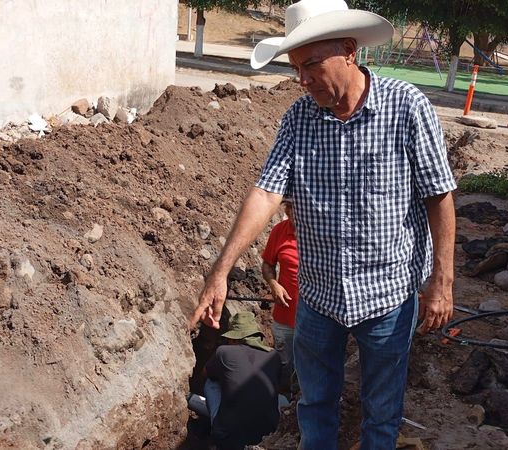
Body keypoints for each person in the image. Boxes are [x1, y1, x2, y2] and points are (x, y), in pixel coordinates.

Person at [189, 0, 457, 448]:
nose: (303, 79)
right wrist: (220, 271)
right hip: (317, 297)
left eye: (311, 63)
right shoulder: (298, 119)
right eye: (296, 67)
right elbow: (266, 192)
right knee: (314, 405)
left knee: (382, 410)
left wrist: (441, 281)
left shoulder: (407, 107)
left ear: (349, 50)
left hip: (388, 296)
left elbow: (438, 195)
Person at [202, 312, 282, 449]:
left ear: (234, 338)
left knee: (211, 384)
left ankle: (215, 427)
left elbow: (204, 374)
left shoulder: (223, 352)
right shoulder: (274, 356)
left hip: (228, 438)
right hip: (268, 435)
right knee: (280, 398)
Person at [261, 196, 299, 389]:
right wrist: (273, 283)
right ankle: (284, 403)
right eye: (288, 207)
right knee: (285, 364)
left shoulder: (323, 233)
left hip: (315, 321)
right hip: (284, 317)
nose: (290, 212)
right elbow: (268, 264)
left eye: (295, 206)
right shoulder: (280, 231)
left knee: (309, 368)